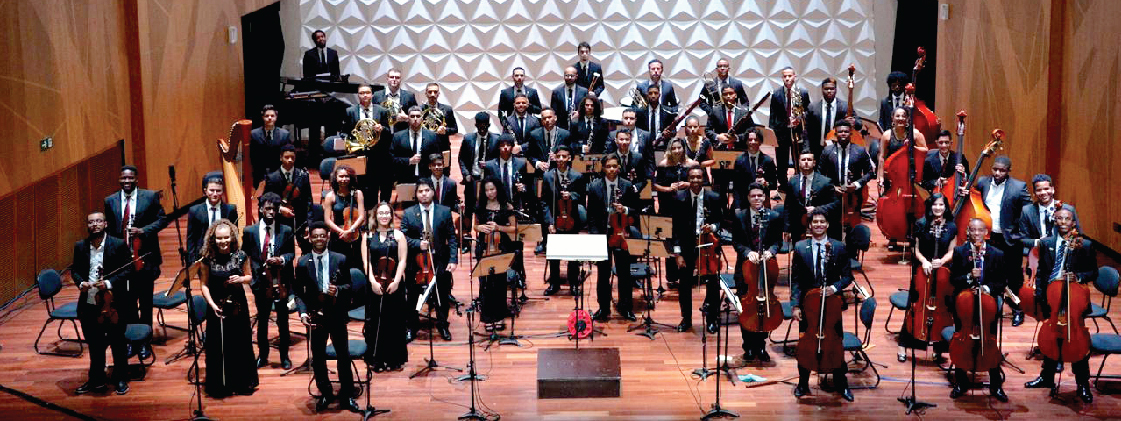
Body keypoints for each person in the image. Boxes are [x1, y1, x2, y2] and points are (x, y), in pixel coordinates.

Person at [1023, 208, 1096, 403]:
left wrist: (1079, 276)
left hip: (1074, 299)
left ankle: (1082, 384)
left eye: (1067, 218)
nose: (1063, 221)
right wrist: (1040, 299)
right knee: (1051, 337)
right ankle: (1046, 378)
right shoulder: (1046, 244)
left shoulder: (1085, 245)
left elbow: (1093, 272)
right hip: (1052, 296)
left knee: (1077, 340)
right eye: (1059, 218)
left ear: (1073, 223)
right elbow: (1043, 273)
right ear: (1055, 221)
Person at [294, 222, 360, 412]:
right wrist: (303, 312)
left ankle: (347, 395)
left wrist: (337, 291)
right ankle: (326, 393)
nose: (319, 239)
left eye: (323, 236)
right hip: (316, 317)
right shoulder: (303, 262)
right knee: (319, 357)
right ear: (310, 238)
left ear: (328, 237)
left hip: (337, 315)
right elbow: (298, 293)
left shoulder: (340, 259)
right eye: (315, 236)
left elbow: (349, 287)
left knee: (343, 356)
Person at [103, 165, 166, 359]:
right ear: (119, 179)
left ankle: (145, 342)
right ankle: (131, 340)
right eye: (123, 179)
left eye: (130, 178)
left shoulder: (150, 197)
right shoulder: (110, 200)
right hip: (122, 262)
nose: (127, 182)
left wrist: (143, 230)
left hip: (145, 258)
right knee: (127, 303)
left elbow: (162, 219)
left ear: (137, 179)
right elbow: (110, 230)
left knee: (146, 302)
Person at [790, 210, 853, 402]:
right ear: (810, 226)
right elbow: (796, 280)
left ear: (827, 225)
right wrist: (795, 306)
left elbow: (848, 276)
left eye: (822, 221)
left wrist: (835, 288)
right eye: (814, 221)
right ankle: (802, 384)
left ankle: (841, 384)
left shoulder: (839, 247)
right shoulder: (800, 247)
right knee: (805, 344)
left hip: (832, 305)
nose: (818, 224)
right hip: (808, 305)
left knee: (835, 343)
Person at [962, 155, 1031, 326]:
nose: (998, 173)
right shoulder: (983, 182)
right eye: (995, 169)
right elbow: (974, 200)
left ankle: (1017, 310)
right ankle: (990, 308)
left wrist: (1019, 232)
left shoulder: (1019, 187)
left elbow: (1028, 211)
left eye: (1002, 170)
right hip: (989, 237)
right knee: (990, 273)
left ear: (1008, 171)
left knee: (1014, 276)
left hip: (1009, 239)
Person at [73, 211, 133, 396]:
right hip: (90, 302)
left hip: (113, 303)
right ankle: (95, 379)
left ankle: (121, 378)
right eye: (91, 222)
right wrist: (81, 283)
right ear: (87, 225)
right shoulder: (80, 246)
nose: (95, 225)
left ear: (105, 224)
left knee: (117, 342)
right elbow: (75, 270)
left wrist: (108, 283)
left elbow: (129, 269)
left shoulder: (118, 244)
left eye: (99, 221)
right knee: (95, 344)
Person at [948, 218, 1008, 402]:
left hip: (987, 305)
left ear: (986, 232)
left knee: (989, 341)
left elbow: (1001, 282)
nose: (976, 234)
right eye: (972, 231)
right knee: (961, 338)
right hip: (964, 304)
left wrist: (986, 289)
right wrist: (968, 277)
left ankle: (996, 385)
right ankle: (960, 382)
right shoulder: (960, 252)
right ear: (967, 232)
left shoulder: (997, 254)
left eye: (979, 231)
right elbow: (953, 280)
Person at [198, 219, 258, 397]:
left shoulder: (241, 256)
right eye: (219, 238)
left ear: (231, 237)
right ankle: (221, 384)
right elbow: (204, 285)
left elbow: (249, 276)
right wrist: (212, 304)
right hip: (216, 306)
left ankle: (242, 382)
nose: (223, 241)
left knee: (240, 342)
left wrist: (240, 279)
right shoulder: (207, 260)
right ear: (213, 239)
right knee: (219, 346)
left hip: (238, 306)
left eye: (226, 237)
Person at [896, 194, 957, 363]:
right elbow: (915, 249)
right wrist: (924, 262)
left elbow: (953, 250)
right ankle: (903, 345)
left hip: (943, 271)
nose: (938, 208)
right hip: (923, 271)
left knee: (944, 309)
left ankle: (939, 348)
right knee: (914, 309)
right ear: (930, 206)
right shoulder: (921, 224)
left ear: (946, 207)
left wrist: (942, 261)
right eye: (935, 205)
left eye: (941, 205)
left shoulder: (951, 226)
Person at [402, 179, 459, 341]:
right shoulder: (409, 213)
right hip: (417, 262)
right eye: (420, 191)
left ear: (433, 192)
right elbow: (403, 237)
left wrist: (453, 259)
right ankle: (412, 327)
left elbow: (452, 238)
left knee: (442, 294)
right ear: (416, 194)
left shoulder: (444, 211)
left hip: (440, 260)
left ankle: (442, 324)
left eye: (427, 190)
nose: (424, 194)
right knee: (413, 295)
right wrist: (417, 243)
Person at [587, 154, 640, 322]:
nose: (611, 169)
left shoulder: (627, 185)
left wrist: (624, 209)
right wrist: (596, 237)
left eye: (614, 166)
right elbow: (592, 217)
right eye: (608, 166)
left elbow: (635, 211)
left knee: (624, 273)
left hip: (621, 234)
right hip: (604, 234)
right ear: (603, 168)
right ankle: (603, 308)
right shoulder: (594, 187)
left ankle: (626, 307)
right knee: (603, 273)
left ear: (619, 167)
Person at [732, 184, 782, 362]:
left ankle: (761, 346)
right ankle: (748, 347)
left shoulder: (774, 216)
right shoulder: (739, 216)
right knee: (746, 308)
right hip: (744, 270)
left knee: (764, 308)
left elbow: (778, 242)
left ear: (765, 197)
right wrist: (747, 252)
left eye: (760, 196)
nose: (757, 199)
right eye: (753, 196)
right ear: (748, 198)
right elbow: (736, 242)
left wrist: (771, 252)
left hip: (766, 269)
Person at [670, 167, 723, 333]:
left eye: (699, 177)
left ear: (703, 179)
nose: (695, 181)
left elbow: (721, 222)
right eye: (692, 177)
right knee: (684, 285)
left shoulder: (713, 197)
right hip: (687, 246)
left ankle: (712, 319)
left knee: (712, 285)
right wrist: (677, 253)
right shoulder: (679, 198)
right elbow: (675, 228)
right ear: (688, 179)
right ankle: (686, 319)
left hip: (707, 244)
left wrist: (712, 227)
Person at [245, 193, 294, 369]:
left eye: (274, 209)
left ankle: (284, 357)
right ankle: (263, 356)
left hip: (280, 282)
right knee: (263, 320)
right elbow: (244, 256)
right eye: (267, 208)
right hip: (260, 284)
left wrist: (281, 259)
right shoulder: (249, 231)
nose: (271, 212)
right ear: (260, 210)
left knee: (283, 321)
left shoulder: (286, 230)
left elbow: (291, 254)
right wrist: (250, 280)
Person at [361, 202, 409, 372]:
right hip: (375, 283)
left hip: (393, 284)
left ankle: (394, 359)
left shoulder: (398, 235)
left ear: (391, 215)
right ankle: (376, 358)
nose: (384, 216)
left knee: (393, 321)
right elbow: (366, 262)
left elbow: (403, 260)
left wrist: (396, 281)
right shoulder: (367, 236)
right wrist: (372, 282)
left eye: (387, 213)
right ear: (375, 215)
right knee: (374, 321)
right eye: (380, 213)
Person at [540, 146, 585, 295]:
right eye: (558, 156)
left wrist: (571, 195)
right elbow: (544, 202)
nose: (560, 160)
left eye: (564, 157)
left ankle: (573, 283)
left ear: (569, 158)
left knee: (572, 254)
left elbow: (581, 197)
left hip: (571, 220)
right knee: (554, 254)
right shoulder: (548, 176)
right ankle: (554, 284)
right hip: (554, 220)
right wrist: (549, 223)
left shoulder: (577, 176)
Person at [474, 178, 517, 331]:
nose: (490, 192)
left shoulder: (507, 206)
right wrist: (481, 228)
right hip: (484, 248)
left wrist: (498, 227)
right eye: (487, 190)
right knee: (485, 283)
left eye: (492, 189)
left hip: (501, 247)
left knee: (499, 282)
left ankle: (499, 316)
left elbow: (514, 229)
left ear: (498, 189)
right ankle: (487, 318)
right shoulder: (480, 206)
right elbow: (475, 226)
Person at [817, 121, 873, 235]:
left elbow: (870, 172)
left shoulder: (860, 151)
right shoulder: (827, 151)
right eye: (840, 131)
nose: (843, 134)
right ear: (835, 134)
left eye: (846, 131)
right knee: (833, 226)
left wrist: (856, 184)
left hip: (854, 196)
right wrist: (832, 187)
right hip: (834, 195)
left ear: (851, 133)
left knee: (853, 229)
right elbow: (819, 174)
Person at [346, 84, 392, 207]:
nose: (365, 95)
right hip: (359, 154)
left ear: (372, 94)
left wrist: (381, 128)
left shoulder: (382, 111)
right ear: (358, 95)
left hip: (378, 154)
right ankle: (365, 211)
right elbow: (344, 133)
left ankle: (378, 211)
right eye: (361, 93)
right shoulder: (350, 111)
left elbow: (389, 132)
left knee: (376, 184)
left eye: (367, 92)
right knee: (362, 185)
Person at [460, 112, 499, 248]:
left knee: (484, 209)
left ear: (489, 125)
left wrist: (488, 164)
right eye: (480, 125)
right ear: (475, 125)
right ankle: (466, 240)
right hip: (472, 180)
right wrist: (466, 174)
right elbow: (462, 159)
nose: (482, 128)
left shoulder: (496, 139)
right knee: (469, 210)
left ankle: (483, 240)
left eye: (485, 125)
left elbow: (498, 160)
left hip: (488, 182)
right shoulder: (468, 138)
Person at [264, 144, 313, 253]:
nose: (290, 160)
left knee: (307, 251)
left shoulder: (303, 175)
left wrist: (309, 224)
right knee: (285, 252)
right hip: (280, 220)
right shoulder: (272, 178)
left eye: (292, 157)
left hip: (301, 220)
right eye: (286, 157)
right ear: (281, 158)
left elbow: (309, 201)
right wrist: (280, 209)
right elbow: (266, 201)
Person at [1017, 174, 1080, 257]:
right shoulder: (1027, 211)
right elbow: (1023, 239)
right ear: (1034, 193)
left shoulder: (1068, 210)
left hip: (1063, 253)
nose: (1043, 192)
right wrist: (1040, 242)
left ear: (1053, 189)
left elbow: (1078, 234)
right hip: (1039, 254)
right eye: (1039, 190)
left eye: (1046, 189)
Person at [768, 66, 811, 190]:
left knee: (798, 157)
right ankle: (783, 185)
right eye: (785, 76)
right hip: (782, 132)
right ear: (782, 78)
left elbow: (808, 111)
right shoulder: (776, 94)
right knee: (782, 161)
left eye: (790, 76)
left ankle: (801, 182)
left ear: (794, 76)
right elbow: (773, 115)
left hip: (798, 131)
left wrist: (799, 118)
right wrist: (772, 135)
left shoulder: (802, 92)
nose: (787, 78)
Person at [784, 150, 839, 241]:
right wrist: (787, 230)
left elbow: (836, 204)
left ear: (814, 163)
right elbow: (788, 207)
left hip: (819, 225)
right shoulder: (792, 181)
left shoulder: (825, 182)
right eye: (803, 160)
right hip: (797, 229)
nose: (806, 162)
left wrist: (817, 209)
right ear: (799, 163)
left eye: (809, 160)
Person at [322, 164, 365, 269]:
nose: (344, 179)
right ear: (335, 178)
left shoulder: (357, 194)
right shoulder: (330, 196)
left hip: (354, 234)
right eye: (341, 176)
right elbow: (327, 220)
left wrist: (350, 230)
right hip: (337, 235)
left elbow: (362, 216)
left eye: (347, 176)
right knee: (338, 265)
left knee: (356, 264)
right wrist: (341, 232)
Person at [187, 176, 238, 263]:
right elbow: (191, 238)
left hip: (224, 252)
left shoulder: (231, 209)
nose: (215, 194)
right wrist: (192, 260)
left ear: (222, 192)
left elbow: (234, 234)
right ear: (205, 190)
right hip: (202, 254)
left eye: (218, 191)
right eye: (211, 190)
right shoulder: (194, 210)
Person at [875, 106, 929, 186]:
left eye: (904, 116)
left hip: (910, 173)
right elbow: (882, 157)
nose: (901, 118)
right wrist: (880, 176)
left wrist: (912, 147)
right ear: (892, 118)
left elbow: (925, 150)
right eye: (897, 116)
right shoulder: (887, 135)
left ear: (907, 119)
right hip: (891, 174)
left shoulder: (915, 134)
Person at [732, 128, 778, 208]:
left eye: (755, 140)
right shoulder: (739, 160)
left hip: (762, 202)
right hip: (744, 203)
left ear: (760, 142)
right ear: (746, 142)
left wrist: (766, 183)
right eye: (750, 140)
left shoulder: (768, 161)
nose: (752, 142)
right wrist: (737, 207)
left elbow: (773, 185)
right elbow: (736, 187)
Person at [805, 78, 850, 159]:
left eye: (832, 88)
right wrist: (807, 149)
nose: (829, 91)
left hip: (837, 148)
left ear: (836, 90)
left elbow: (859, 123)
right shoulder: (813, 107)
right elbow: (807, 131)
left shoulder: (844, 106)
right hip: (817, 149)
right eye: (826, 89)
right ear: (822, 90)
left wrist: (854, 122)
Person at [392, 106, 440, 182]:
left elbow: (437, 157)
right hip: (404, 178)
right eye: (412, 116)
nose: (415, 119)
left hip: (426, 178)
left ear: (422, 119)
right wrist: (409, 161)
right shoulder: (397, 137)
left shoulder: (432, 136)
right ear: (408, 119)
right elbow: (391, 159)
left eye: (418, 116)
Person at [484, 135, 529, 216]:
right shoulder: (490, 165)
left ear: (512, 147)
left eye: (508, 145)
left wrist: (523, 187)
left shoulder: (521, 163)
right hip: (496, 207)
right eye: (502, 145)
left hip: (516, 207)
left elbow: (527, 184)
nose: (505, 147)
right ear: (498, 147)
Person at [250, 104, 293, 186]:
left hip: (278, 173)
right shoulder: (254, 134)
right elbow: (253, 156)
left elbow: (287, 155)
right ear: (263, 117)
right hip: (260, 174)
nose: (269, 118)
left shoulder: (284, 134)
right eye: (267, 116)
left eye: (272, 116)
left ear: (276, 118)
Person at [371, 69, 418, 135]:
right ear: (387, 79)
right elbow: (372, 115)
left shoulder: (409, 96)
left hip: (402, 135)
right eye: (392, 77)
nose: (394, 79)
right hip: (382, 135)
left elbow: (417, 117)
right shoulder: (377, 95)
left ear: (400, 80)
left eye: (397, 77)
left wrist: (407, 118)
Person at [528, 107, 572, 174]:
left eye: (549, 117)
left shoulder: (565, 134)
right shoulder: (534, 135)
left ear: (555, 118)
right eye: (544, 118)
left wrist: (559, 157)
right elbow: (530, 155)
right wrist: (538, 163)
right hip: (540, 174)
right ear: (541, 121)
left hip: (560, 172)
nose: (547, 120)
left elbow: (571, 155)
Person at [421, 82, 459, 152]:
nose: (433, 94)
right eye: (430, 92)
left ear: (438, 94)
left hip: (443, 147)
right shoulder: (420, 110)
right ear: (426, 93)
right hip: (425, 147)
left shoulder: (447, 109)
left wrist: (445, 130)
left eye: (435, 92)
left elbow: (455, 129)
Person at [550, 66, 588, 131]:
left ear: (576, 76)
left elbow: (587, 108)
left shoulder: (584, 91)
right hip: (561, 127)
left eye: (572, 75)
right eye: (567, 75)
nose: (569, 78)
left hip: (579, 127)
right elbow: (553, 111)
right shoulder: (556, 92)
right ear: (564, 76)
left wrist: (580, 113)